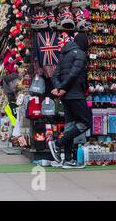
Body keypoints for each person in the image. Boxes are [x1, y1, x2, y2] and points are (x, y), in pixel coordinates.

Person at [48, 33, 92, 169]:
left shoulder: (64, 53)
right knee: (86, 122)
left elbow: (55, 74)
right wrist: (62, 88)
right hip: (76, 94)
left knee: (70, 126)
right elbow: (74, 74)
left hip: (65, 96)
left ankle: (68, 159)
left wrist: (58, 88)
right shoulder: (80, 54)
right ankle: (57, 143)